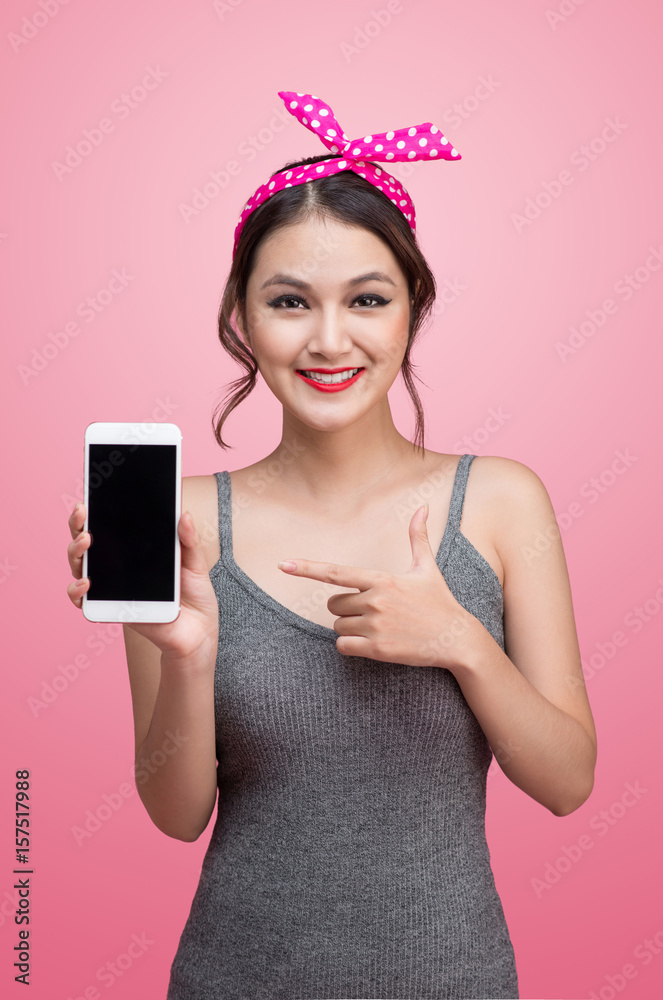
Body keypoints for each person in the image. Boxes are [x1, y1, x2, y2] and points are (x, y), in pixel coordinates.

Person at [66, 91, 597, 1000]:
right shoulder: (183, 523)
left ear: (411, 309)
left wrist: (461, 643)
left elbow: (567, 781)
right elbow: (176, 814)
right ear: (241, 315)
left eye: (366, 299)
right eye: (287, 301)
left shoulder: (502, 503)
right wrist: (188, 651)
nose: (327, 339)